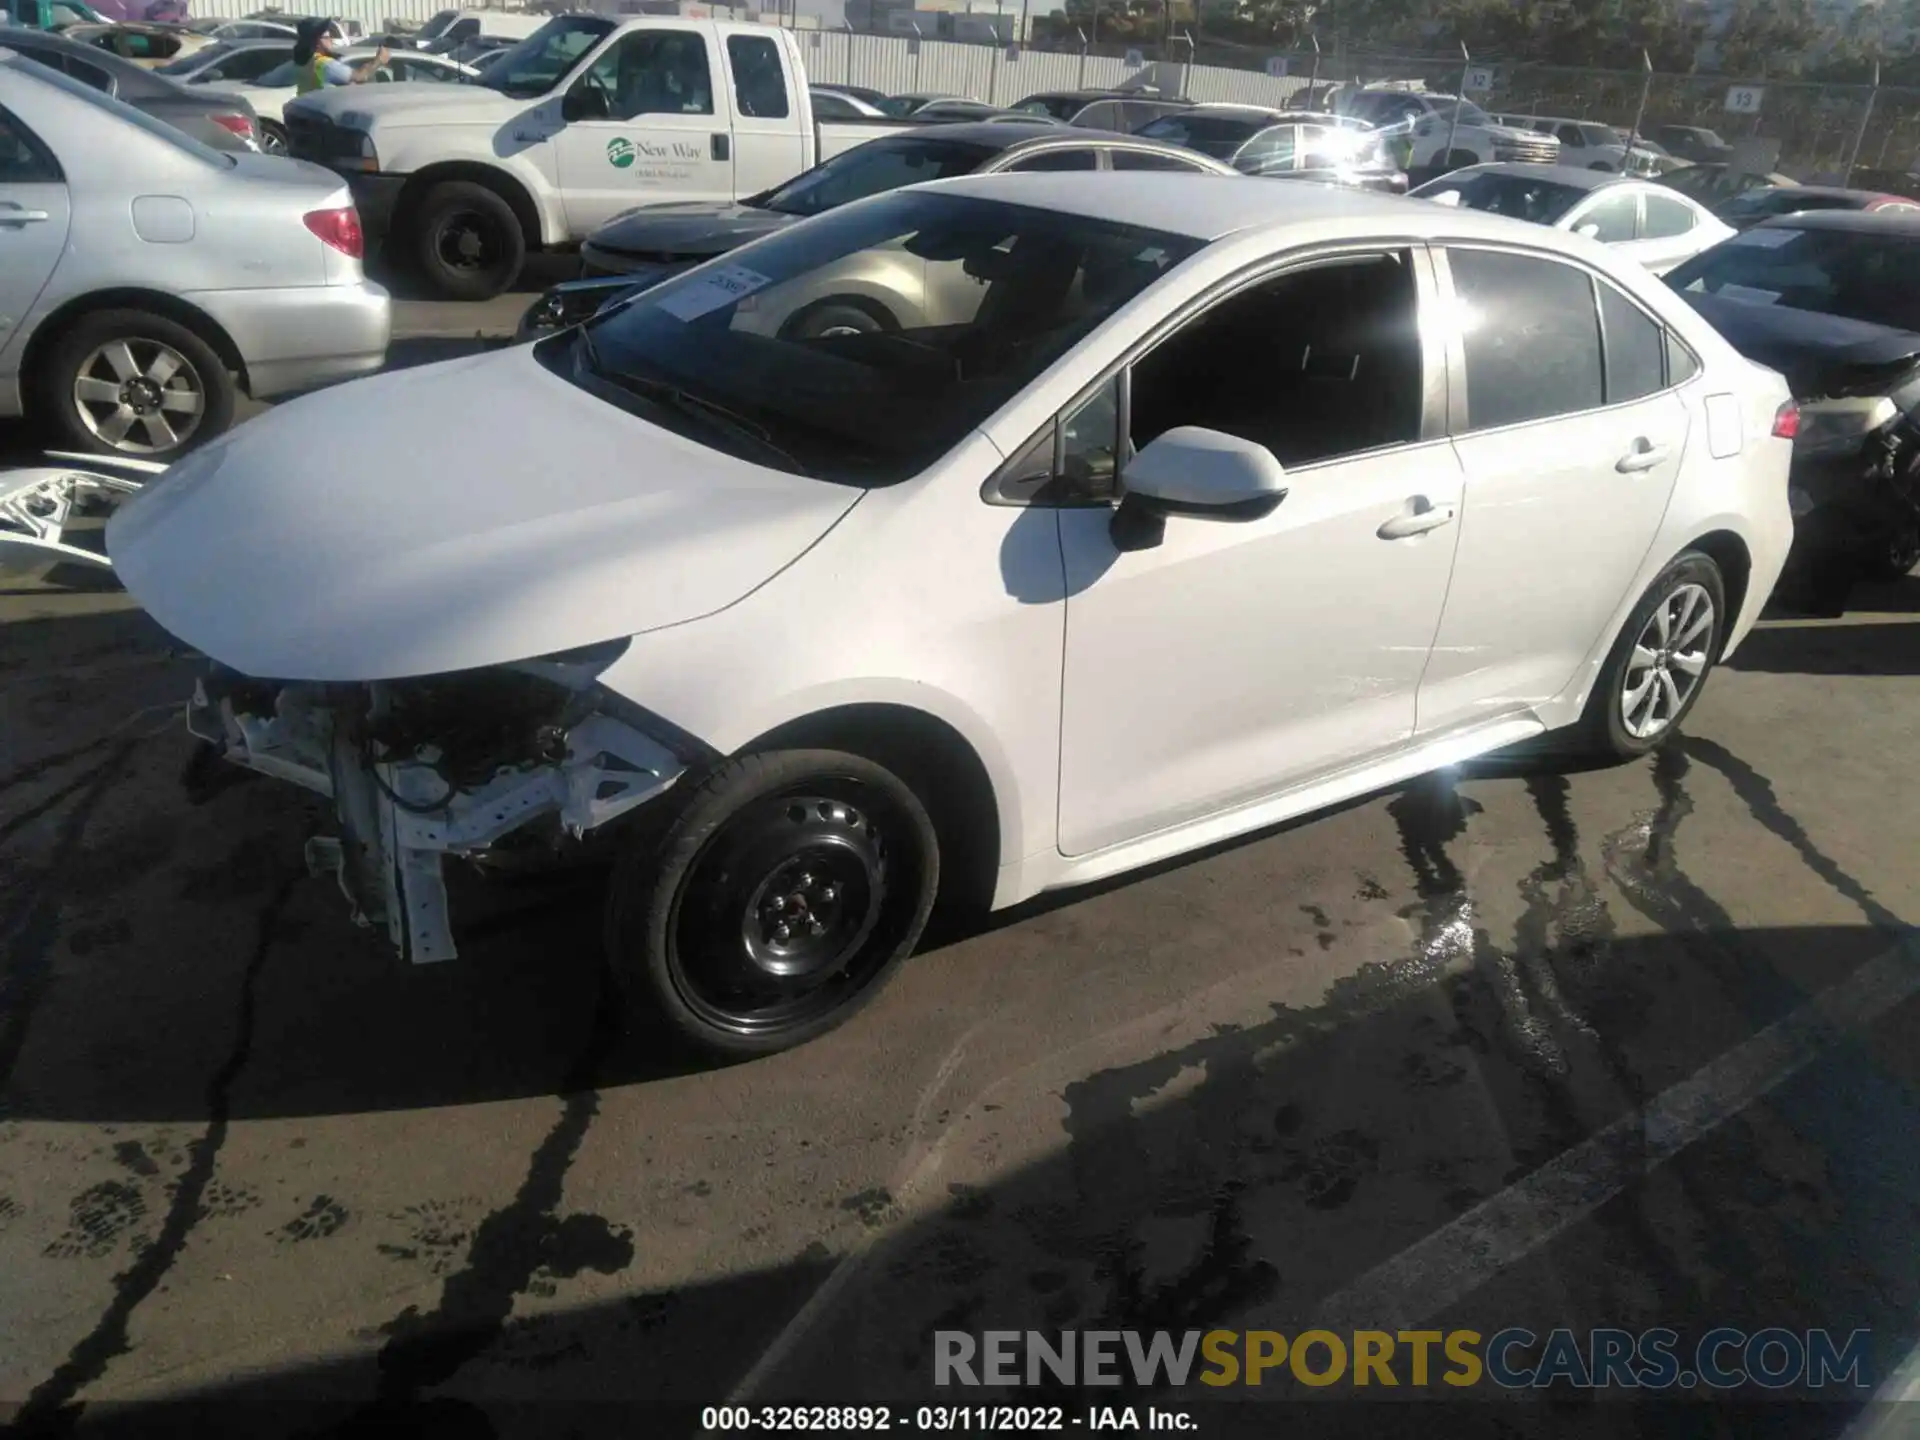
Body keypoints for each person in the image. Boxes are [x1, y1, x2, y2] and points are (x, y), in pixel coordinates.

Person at [292, 16, 388, 95]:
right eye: (327, 37)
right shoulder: (324, 65)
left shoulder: (303, 62)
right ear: (317, 42)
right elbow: (360, 76)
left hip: (306, 111)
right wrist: (379, 60)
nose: (331, 40)